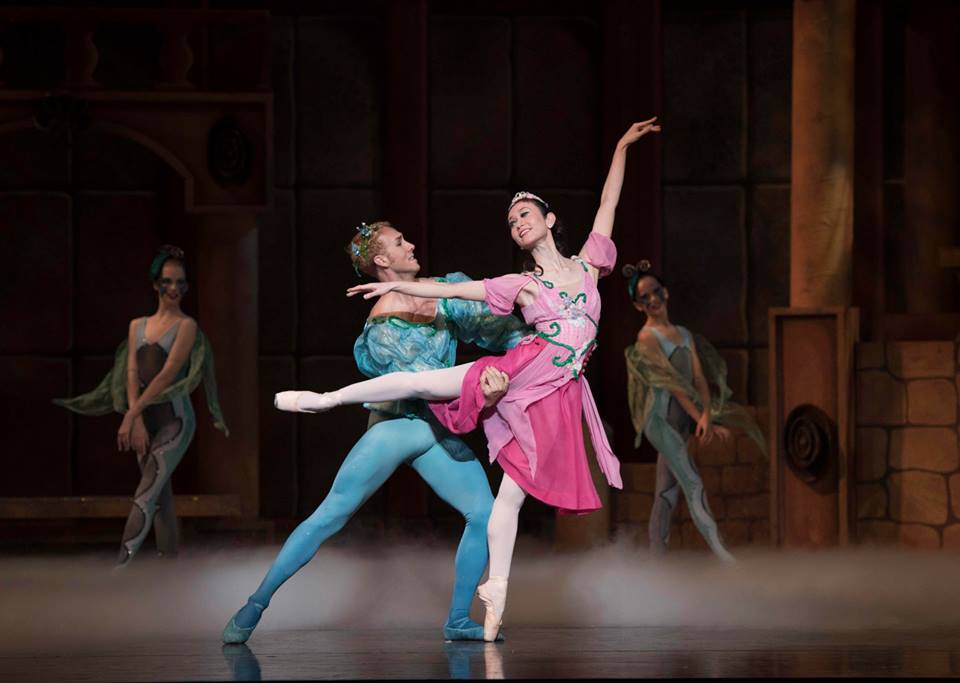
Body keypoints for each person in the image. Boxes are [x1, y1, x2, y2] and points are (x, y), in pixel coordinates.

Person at [274, 119, 661, 641]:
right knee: (422, 385)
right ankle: (325, 400)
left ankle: (493, 597)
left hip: (556, 390)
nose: (517, 223)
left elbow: (609, 204)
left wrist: (621, 146)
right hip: (518, 370)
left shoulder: (591, 266)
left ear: (549, 219)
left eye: (524, 214)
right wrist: (386, 290)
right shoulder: (523, 284)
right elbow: (458, 291)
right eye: (511, 220)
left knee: (509, 498)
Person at [222, 221, 528, 644]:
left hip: (434, 430)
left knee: (485, 514)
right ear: (382, 260)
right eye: (400, 242)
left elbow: (501, 330)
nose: (412, 245)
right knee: (331, 514)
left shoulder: (443, 292)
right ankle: (256, 603)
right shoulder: (383, 324)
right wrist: (483, 387)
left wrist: (543, 346)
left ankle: (458, 619)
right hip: (396, 426)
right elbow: (420, 385)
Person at [55, 245, 227, 564]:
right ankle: (167, 565)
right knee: (159, 497)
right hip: (143, 422)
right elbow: (132, 373)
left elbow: (166, 375)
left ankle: (120, 568)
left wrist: (130, 415)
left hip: (175, 421)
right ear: (155, 284)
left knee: (145, 494)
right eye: (167, 281)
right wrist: (135, 420)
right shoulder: (137, 325)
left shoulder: (186, 326)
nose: (174, 288)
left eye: (180, 282)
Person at [623, 262, 766, 561]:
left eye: (655, 292)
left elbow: (698, 379)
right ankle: (722, 554)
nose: (652, 299)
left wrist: (707, 416)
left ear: (666, 292)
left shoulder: (684, 334)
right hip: (660, 420)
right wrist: (699, 417)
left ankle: (656, 559)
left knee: (666, 491)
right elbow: (674, 385)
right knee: (692, 482)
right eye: (644, 297)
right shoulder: (647, 338)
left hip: (683, 419)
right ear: (638, 305)